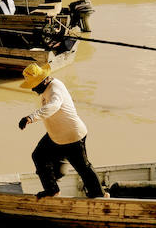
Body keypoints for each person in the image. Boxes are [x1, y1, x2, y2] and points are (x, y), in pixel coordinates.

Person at [18, 63, 107, 199]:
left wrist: (31, 118)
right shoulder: (47, 88)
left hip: (72, 136)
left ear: (43, 81)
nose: (33, 90)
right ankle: (52, 190)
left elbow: (54, 106)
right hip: (56, 136)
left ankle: (99, 196)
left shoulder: (55, 88)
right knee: (39, 156)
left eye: (34, 86)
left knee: (83, 168)